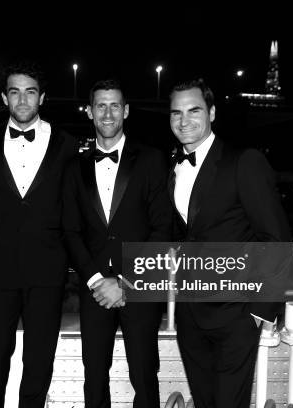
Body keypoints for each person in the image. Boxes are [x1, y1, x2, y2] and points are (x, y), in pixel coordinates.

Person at [168, 78, 291, 408]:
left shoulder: (243, 161)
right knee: (205, 401)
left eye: (193, 110)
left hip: (236, 313)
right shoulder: (173, 168)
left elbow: (275, 238)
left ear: (211, 112)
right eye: (176, 113)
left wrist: (260, 311)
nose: (184, 120)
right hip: (190, 312)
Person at [0, 61, 78, 408]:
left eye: (30, 92)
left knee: (39, 360)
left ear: (42, 97)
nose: (22, 100)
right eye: (14, 92)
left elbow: (76, 208)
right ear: (4, 97)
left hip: (47, 270)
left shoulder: (67, 145)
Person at [62, 79, 171, 408]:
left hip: (138, 284)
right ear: (90, 111)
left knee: (144, 374)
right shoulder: (74, 166)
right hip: (94, 288)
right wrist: (97, 280)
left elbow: (162, 227)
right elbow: (70, 231)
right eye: (100, 105)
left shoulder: (151, 160)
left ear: (125, 111)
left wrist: (126, 281)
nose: (107, 113)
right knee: (94, 375)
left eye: (114, 105)